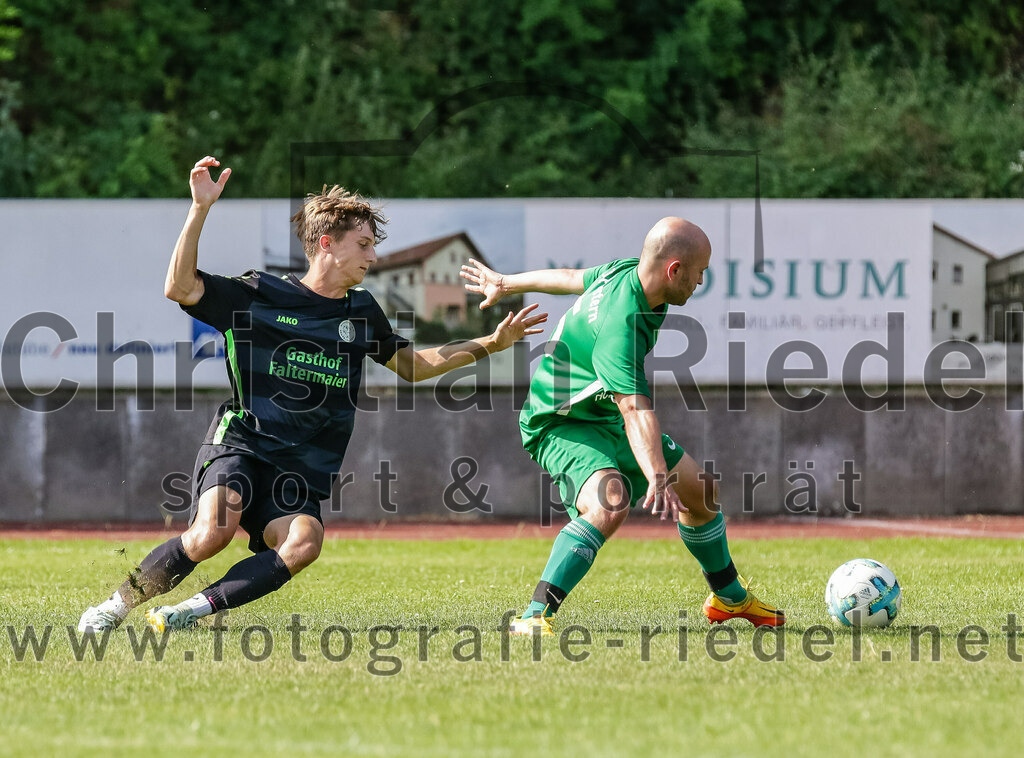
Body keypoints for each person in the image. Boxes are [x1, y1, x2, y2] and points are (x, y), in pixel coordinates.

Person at [78, 156, 546, 634]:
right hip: (242, 441)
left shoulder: (363, 312)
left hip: (301, 463)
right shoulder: (260, 293)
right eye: (363, 244)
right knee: (212, 531)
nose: (373, 256)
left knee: (303, 543)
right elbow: (178, 286)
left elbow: (414, 366)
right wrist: (199, 209)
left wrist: (492, 343)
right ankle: (113, 608)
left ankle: (187, 612)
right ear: (326, 244)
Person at [461, 217, 785, 636]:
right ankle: (533, 614)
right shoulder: (621, 327)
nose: (701, 280)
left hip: (601, 413)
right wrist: (655, 474)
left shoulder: (624, 272)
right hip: (560, 421)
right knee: (610, 501)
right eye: (700, 271)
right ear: (674, 270)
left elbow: (570, 277)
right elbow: (635, 410)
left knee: (701, 492)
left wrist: (506, 283)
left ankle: (728, 598)